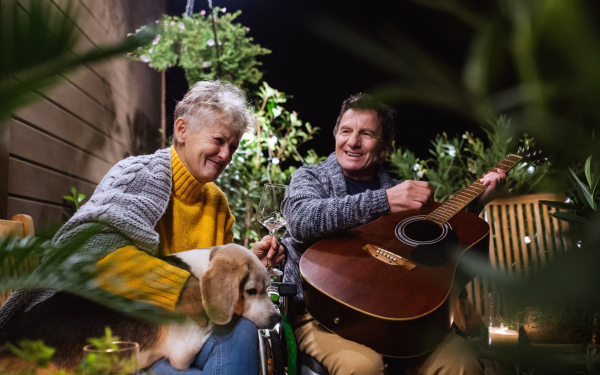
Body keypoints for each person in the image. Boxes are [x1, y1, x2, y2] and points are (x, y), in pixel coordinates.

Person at [0, 80, 284, 375]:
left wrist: (248, 269)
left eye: (233, 146)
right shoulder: (136, 175)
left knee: (240, 332)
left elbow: (215, 277)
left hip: (182, 334)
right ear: (182, 130)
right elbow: (95, 255)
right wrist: (184, 289)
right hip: (120, 333)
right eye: (218, 140)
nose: (225, 154)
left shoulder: (218, 204)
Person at [280, 93, 506, 375]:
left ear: (385, 147)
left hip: (400, 319)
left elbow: (441, 249)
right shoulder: (312, 177)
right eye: (346, 131)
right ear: (336, 134)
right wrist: (385, 201)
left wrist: (477, 202)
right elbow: (302, 220)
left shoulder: (403, 193)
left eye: (366, 134)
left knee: (461, 363)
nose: (352, 141)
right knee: (363, 367)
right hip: (324, 314)